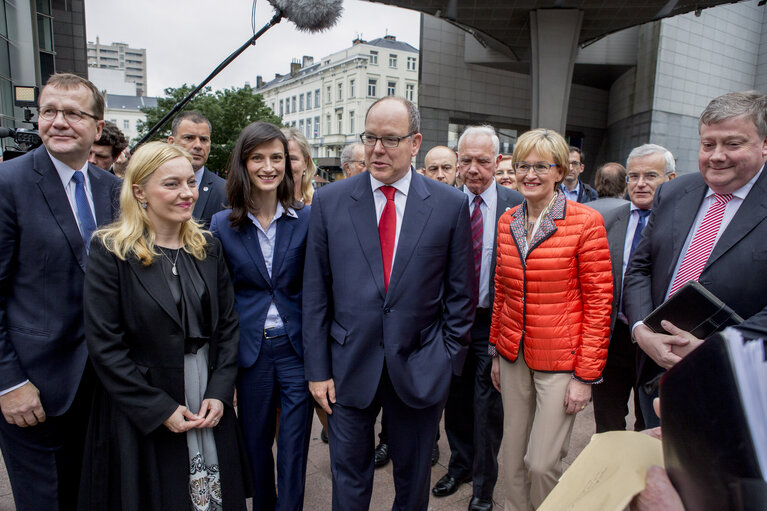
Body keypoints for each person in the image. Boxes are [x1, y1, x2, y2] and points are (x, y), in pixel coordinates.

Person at [303, 96, 476, 511]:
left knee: (412, 481)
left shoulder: (450, 205)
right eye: (370, 138)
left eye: (390, 139)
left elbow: (460, 296)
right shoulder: (330, 201)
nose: (376, 150)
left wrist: (446, 362)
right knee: (348, 478)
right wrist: (318, 370)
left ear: (415, 142)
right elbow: (315, 293)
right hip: (346, 368)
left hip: (420, 367)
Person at [79, 141, 249, 510]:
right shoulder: (111, 251)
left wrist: (220, 391)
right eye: (171, 184)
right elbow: (105, 345)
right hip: (144, 401)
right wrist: (157, 409)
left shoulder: (207, 246)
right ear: (139, 191)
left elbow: (227, 327)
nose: (187, 193)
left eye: (190, 182)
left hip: (206, 393)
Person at [0, 72, 121, 511]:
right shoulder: (8, 184)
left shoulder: (113, 190)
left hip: (104, 388)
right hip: (35, 390)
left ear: (97, 127)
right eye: (49, 111)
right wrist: (8, 383)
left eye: (73, 113)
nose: (58, 121)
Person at [623, 91, 767, 428]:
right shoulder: (674, 192)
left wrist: (716, 348)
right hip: (654, 370)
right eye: (708, 144)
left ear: (764, 144)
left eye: (732, 144)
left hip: (735, 383)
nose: (717, 156)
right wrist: (642, 329)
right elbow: (640, 269)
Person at [489, 128, 612, 511]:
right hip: (513, 356)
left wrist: (585, 376)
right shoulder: (508, 220)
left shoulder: (585, 221)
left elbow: (599, 302)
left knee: (541, 464)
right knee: (511, 462)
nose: (529, 174)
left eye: (541, 166)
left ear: (560, 171)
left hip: (561, 360)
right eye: (522, 165)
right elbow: (502, 292)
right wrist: (496, 349)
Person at [211, 123, 313, 511]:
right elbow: (222, 301)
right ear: (244, 164)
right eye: (258, 158)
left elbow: (317, 291)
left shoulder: (306, 219)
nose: (268, 167)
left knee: (293, 446)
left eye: (277, 158)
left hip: (295, 350)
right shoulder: (223, 225)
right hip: (250, 354)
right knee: (255, 445)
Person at [432, 126, 523, 511]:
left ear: (498, 162)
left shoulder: (517, 205)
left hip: (494, 322)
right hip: (451, 322)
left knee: (488, 410)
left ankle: (483, 490)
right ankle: (460, 466)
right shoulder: (442, 203)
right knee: (454, 401)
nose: (473, 169)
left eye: (482, 161)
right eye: (465, 160)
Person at [592, 144, 676, 433]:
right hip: (613, 338)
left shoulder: (682, 225)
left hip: (658, 340)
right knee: (607, 421)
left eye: (650, 176)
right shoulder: (610, 221)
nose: (640, 184)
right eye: (633, 176)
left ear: (671, 179)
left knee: (650, 424)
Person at [168, 111, 226, 228]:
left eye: (204, 139)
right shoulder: (152, 188)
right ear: (171, 142)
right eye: (189, 138)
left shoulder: (226, 192)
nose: (198, 145)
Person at [282, 127, 315, 205]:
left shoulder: (319, 205)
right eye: (278, 158)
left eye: (292, 159)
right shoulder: (257, 207)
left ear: (306, 162)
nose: (285, 166)